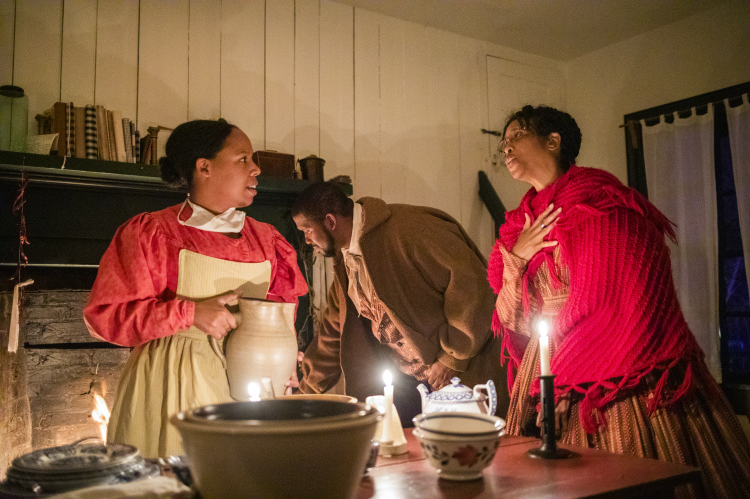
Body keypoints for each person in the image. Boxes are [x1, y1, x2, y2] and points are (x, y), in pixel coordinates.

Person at [488, 104, 750, 497]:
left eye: (516, 137)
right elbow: (511, 316)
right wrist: (518, 257)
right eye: (502, 143)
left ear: (553, 141)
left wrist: (566, 379)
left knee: (627, 473)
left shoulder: (607, 206)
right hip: (542, 367)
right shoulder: (517, 229)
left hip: (616, 372)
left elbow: (627, 300)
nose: (505, 149)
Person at [83, 119, 307, 458]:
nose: (256, 169)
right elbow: (107, 317)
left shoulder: (268, 240)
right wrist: (189, 312)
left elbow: (282, 312)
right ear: (204, 167)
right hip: (169, 386)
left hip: (249, 387)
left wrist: (286, 357)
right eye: (243, 159)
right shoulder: (152, 233)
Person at [291, 182, 508, 425]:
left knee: (466, 452)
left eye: (307, 230)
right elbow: (332, 333)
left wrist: (452, 357)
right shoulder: (347, 262)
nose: (307, 240)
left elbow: (472, 285)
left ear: (330, 221)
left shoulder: (413, 229)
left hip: (462, 377)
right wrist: (303, 392)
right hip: (406, 384)